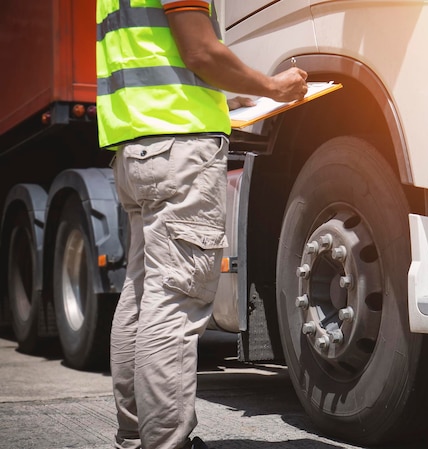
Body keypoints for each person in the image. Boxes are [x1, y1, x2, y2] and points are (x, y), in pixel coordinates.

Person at [95, 1, 308, 448]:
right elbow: (200, 52)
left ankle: (136, 436)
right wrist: (273, 86)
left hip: (136, 147)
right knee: (175, 300)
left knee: (142, 294)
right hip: (180, 151)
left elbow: (160, 60)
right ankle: (165, 443)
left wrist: (226, 93)